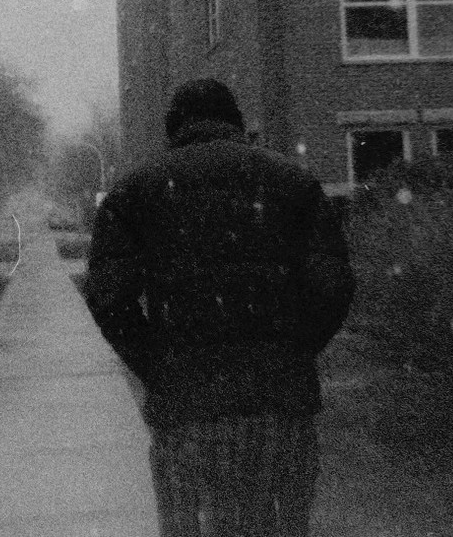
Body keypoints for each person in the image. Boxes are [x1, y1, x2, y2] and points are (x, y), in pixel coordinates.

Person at [81, 78, 354, 537]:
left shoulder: (135, 193)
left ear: (174, 127)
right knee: (279, 526)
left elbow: (110, 300)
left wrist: (159, 365)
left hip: (187, 408)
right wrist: (290, 352)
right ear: (236, 123)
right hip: (279, 405)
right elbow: (332, 288)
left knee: (190, 524)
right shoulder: (294, 184)